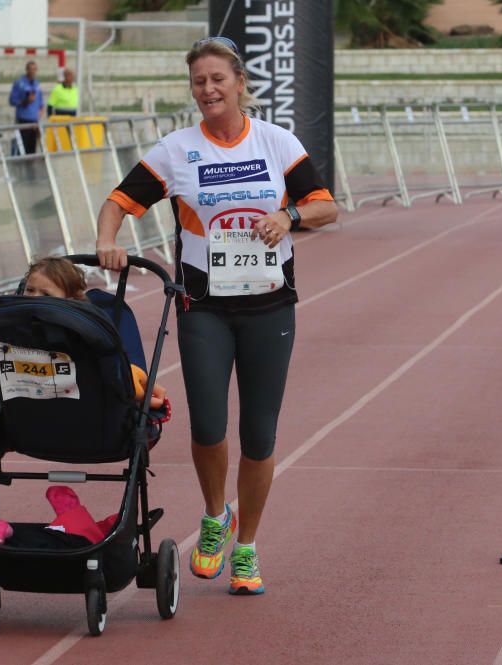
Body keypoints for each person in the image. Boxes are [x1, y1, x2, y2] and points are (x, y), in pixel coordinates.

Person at [95, 36, 338, 595]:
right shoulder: (176, 151)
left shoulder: (276, 142)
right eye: (199, 82)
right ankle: (214, 518)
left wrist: (290, 214)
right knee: (206, 425)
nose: (208, 90)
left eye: (217, 80)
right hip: (202, 306)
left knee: (259, 432)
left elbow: (326, 205)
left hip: (270, 306)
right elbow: (119, 200)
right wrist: (107, 239)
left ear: (239, 84)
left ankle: (246, 548)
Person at [23, 256, 167, 410]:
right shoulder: (12, 327)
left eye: (46, 295)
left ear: (70, 300)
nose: (34, 298)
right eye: (30, 290)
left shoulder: (85, 332)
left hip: (83, 410)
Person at [9, 61, 44, 154]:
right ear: (27, 70)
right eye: (31, 69)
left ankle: (30, 167)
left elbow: (41, 102)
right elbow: (12, 101)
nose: (33, 71)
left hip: (34, 121)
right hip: (23, 120)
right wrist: (26, 101)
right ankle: (20, 167)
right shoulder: (19, 83)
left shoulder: (37, 84)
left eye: (34, 69)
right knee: (22, 148)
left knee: (32, 148)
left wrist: (40, 114)